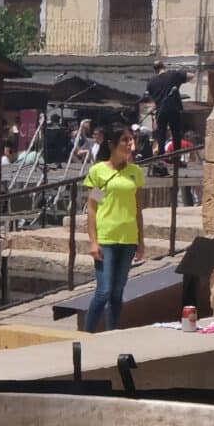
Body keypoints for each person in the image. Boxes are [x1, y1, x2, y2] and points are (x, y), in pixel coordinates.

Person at [82, 128, 146, 333]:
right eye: (125, 140)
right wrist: (93, 241)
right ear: (113, 144)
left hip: (128, 237)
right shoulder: (99, 171)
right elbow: (92, 208)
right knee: (104, 291)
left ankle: (112, 331)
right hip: (107, 237)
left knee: (118, 292)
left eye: (131, 140)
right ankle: (87, 334)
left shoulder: (135, 172)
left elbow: (137, 209)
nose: (130, 144)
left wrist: (141, 241)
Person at [146, 59, 189, 151]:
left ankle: (160, 157)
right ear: (164, 66)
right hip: (173, 109)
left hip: (160, 111)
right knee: (176, 134)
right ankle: (176, 157)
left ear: (155, 70)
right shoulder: (173, 75)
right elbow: (190, 76)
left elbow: (150, 99)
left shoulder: (151, 82)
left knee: (161, 135)